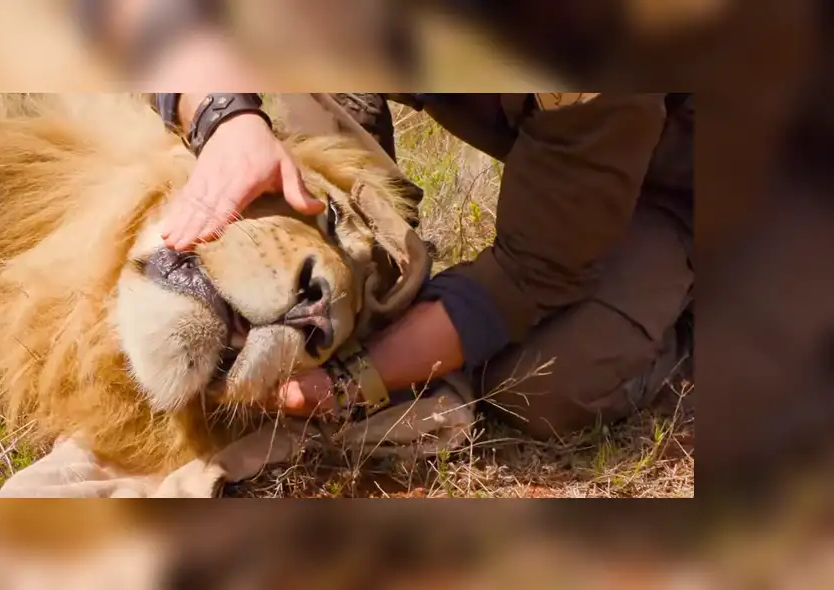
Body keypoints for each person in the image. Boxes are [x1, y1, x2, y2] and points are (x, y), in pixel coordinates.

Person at [91, 3, 694, 439]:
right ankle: (366, 276)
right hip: (572, 143)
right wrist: (227, 120)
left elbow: (530, 273)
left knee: (543, 387)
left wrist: (356, 384)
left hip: (697, 181)